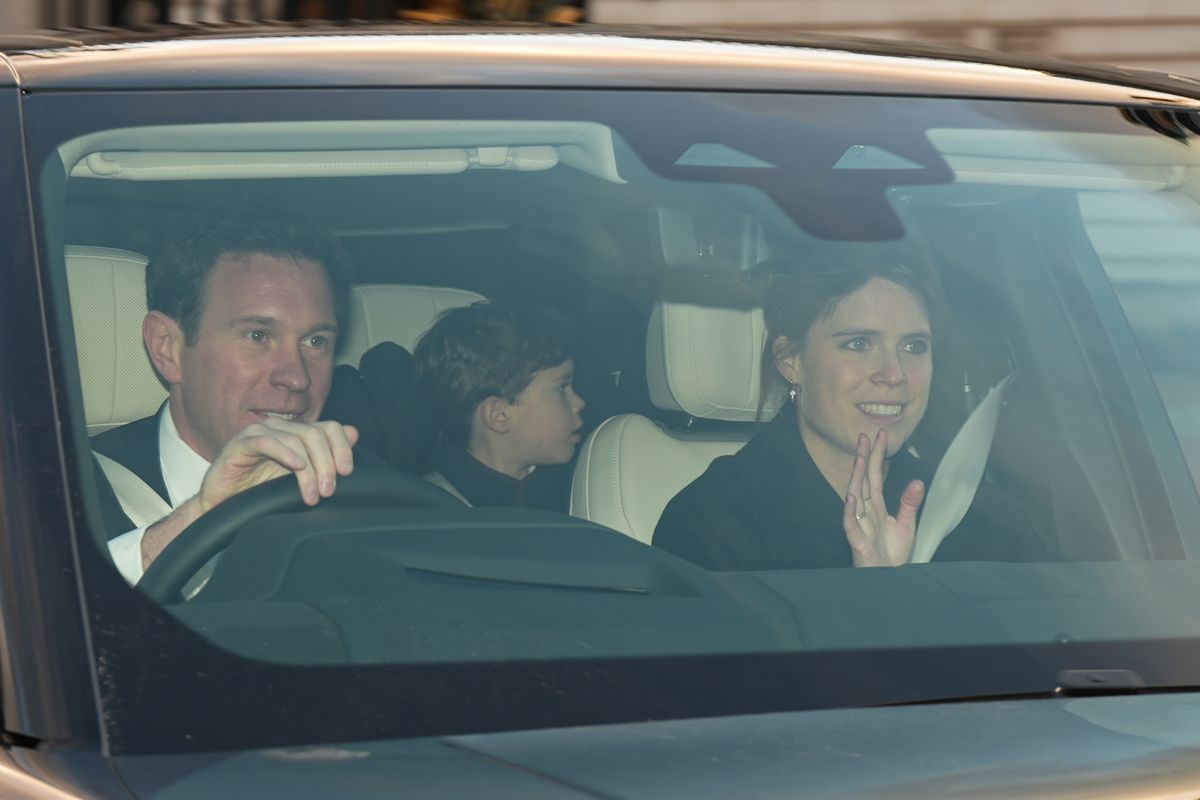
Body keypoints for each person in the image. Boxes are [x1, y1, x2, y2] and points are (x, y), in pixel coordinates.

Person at [652, 248, 1054, 570]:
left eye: (914, 347)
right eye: (859, 344)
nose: (894, 374)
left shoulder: (990, 521)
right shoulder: (712, 527)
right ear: (791, 361)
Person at [95, 202, 362, 585]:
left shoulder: (370, 489)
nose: (297, 378)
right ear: (166, 347)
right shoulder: (55, 487)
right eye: (258, 336)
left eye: (315, 341)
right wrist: (202, 519)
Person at [412, 298, 584, 511]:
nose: (579, 403)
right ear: (499, 415)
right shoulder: (430, 508)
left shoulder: (582, 490)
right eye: (561, 389)